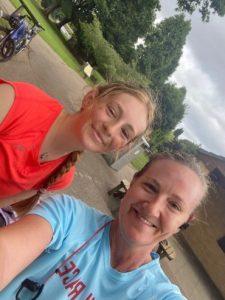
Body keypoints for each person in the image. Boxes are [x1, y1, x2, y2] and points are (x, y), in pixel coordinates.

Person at [0, 152, 208, 299]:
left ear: (184, 223)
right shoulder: (68, 215)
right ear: (133, 181)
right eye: (150, 187)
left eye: (174, 205)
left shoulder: (159, 294)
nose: (153, 209)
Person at [0, 78, 155, 222]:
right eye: (112, 111)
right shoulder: (18, 102)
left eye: (125, 132)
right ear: (90, 99)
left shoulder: (62, 177)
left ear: (122, 146)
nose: (111, 129)